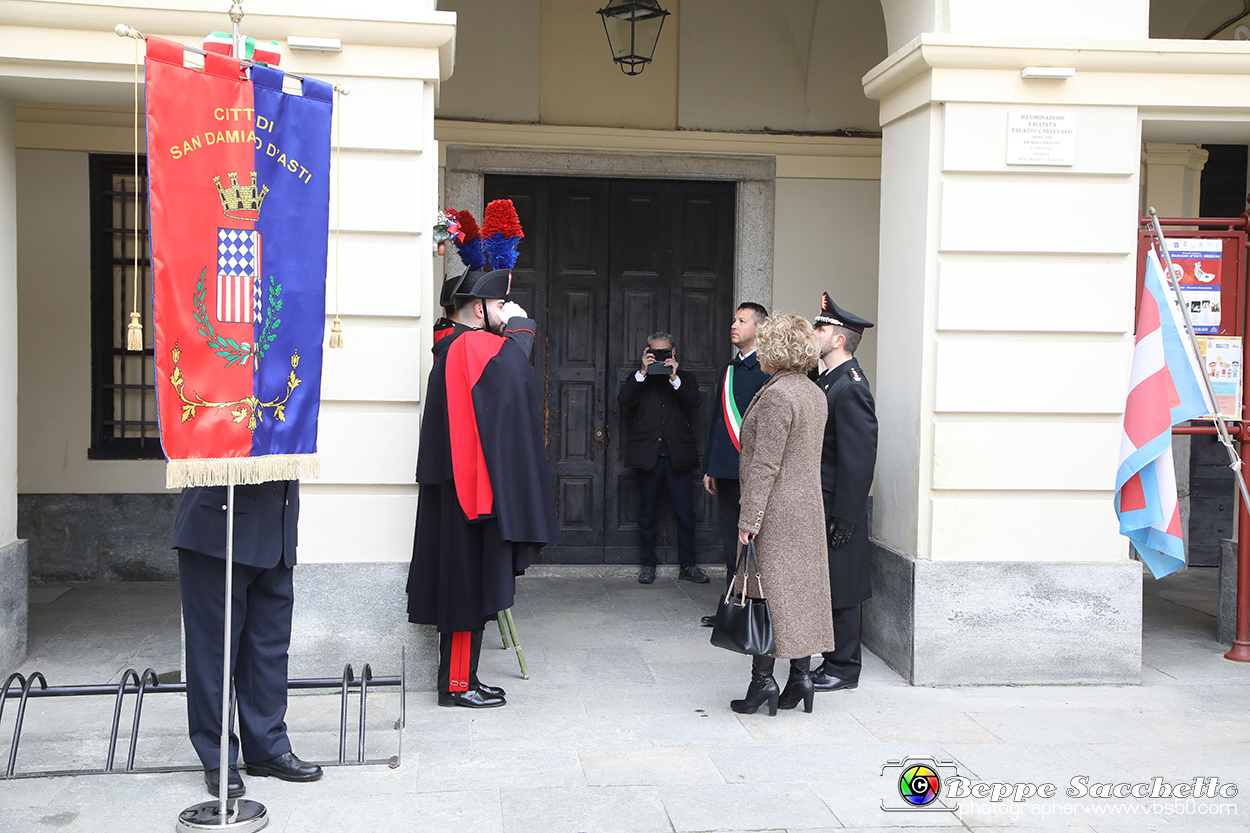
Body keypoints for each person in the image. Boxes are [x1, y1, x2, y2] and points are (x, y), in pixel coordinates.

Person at [407, 267, 560, 708]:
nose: (502, 311)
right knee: (465, 590)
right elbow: (513, 366)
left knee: (465, 586)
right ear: (479, 308)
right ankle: (458, 684)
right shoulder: (471, 343)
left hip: (457, 487)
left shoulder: (451, 343)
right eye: (497, 305)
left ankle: (462, 678)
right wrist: (521, 322)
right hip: (465, 493)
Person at [173, 479, 323, 798]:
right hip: (218, 527)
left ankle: (266, 747)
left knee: (267, 649)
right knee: (213, 652)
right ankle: (216, 757)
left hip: (275, 527)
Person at [730, 312, 835, 716]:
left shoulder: (777, 395)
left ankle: (762, 684)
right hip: (806, 508)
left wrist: (749, 518)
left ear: (774, 347)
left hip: (777, 511)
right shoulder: (812, 392)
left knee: (768, 596)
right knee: (800, 596)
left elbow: (765, 464)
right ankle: (800, 679)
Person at [808, 293, 878, 692]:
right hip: (824, 498)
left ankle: (844, 667)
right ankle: (831, 659)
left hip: (838, 502)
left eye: (822, 327)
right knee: (830, 582)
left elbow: (859, 459)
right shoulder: (827, 380)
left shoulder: (850, 388)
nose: (816, 332)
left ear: (838, 339)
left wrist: (847, 517)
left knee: (843, 584)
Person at [700, 303, 770, 626]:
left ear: (758, 328)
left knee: (752, 542)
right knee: (730, 541)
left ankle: (751, 609)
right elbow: (717, 420)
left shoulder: (768, 370)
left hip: (753, 472)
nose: (734, 325)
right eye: (734, 319)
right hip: (727, 469)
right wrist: (710, 467)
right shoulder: (729, 369)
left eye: (742, 321)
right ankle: (730, 607)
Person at [619, 333, 708, 585]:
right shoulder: (639, 379)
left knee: (685, 515)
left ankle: (688, 565)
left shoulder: (685, 379)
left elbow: (694, 402)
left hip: (678, 457)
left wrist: (674, 377)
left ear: (673, 353)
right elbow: (624, 400)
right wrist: (643, 371)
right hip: (649, 458)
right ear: (647, 352)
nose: (660, 357)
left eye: (664, 353)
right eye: (655, 352)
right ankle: (648, 565)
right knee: (647, 514)